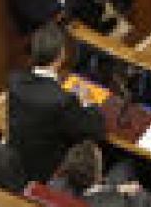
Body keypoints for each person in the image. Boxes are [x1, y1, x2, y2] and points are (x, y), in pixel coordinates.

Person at [6, 24, 108, 184]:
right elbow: (96, 131)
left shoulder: (15, 82)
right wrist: (87, 101)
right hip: (48, 174)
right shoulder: (62, 101)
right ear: (61, 56)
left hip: (18, 163)